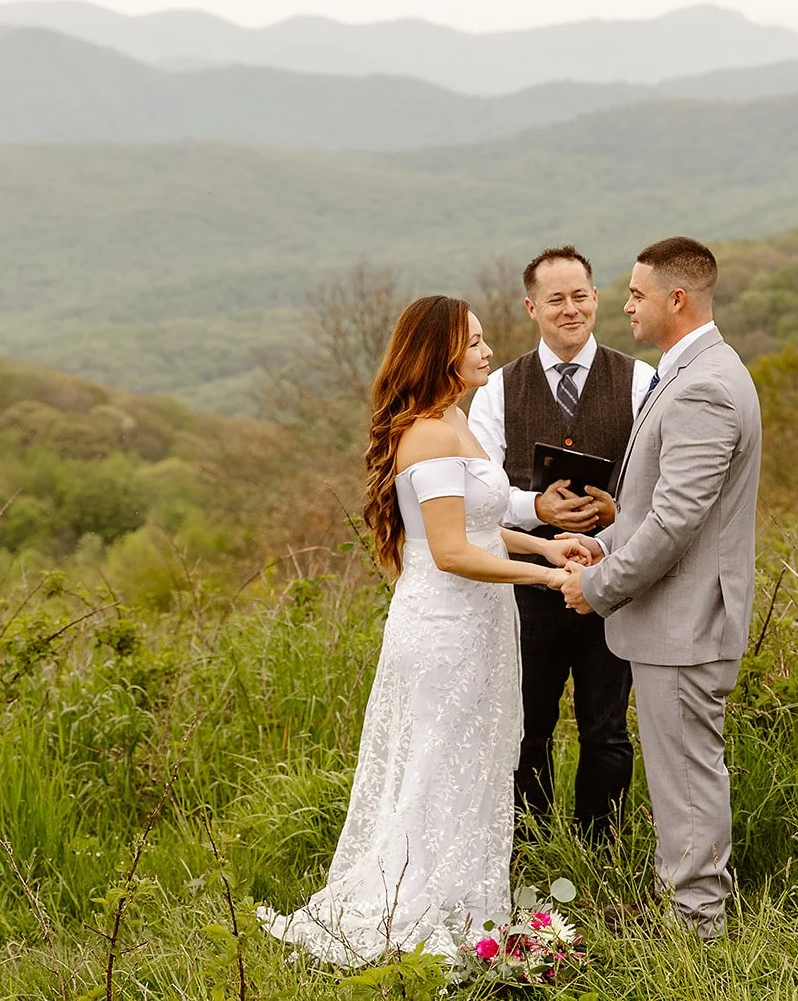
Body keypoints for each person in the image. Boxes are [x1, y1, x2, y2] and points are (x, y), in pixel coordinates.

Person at [258, 296, 590, 965]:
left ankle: (468, 904)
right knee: (437, 767)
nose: (488, 350)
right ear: (437, 351)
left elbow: (474, 524)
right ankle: (409, 907)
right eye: (474, 342)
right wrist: (551, 582)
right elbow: (450, 552)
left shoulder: (453, 420)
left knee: (473, 765)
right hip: (443, 630)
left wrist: (545, 548)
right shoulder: (429, 434)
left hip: (478, 624)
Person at [558, 237, 762, 941]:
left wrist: (600, 584)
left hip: (686, 621)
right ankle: (684, 903)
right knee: (679, 771)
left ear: (678, 299)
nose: (625, 304)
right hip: (677, 618)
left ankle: (697, 926)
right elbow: (650, 506)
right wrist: (602, 542)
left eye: (637, 293)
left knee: (686, 772)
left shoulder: (706, 384)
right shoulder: (685, 371)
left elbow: (677, 521)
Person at [468, 245, 656, 842]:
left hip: (614, 580)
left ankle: (601, 853)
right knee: (527, 727)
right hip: (528, 584)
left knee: (607, 728)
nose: (570, 308)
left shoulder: (642, 380)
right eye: (556, 299)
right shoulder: (497, 390)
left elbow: (660, 479)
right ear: (532, 307)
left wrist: (617, 508)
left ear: (596, 298)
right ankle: (531, 851)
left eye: (581, 295)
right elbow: (481, 488)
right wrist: (535, 507)